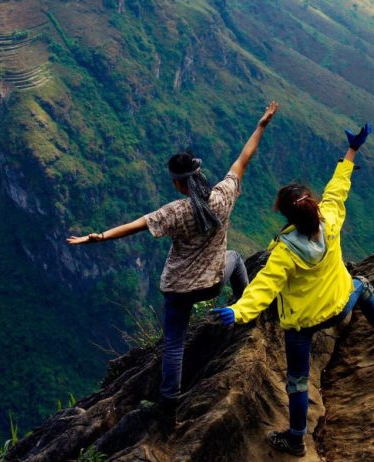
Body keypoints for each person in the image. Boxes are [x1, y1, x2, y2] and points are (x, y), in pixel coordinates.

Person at [67, 101, 280, 425]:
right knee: (235, 259)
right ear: (199, 175)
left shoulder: (176, 212)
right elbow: (243, 159)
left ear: (179, 184)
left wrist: (99, 236)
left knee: (174, 345)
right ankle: (246, 309)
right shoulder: (222, 197)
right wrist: (261, 124)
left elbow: (137, 224)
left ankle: (169, 405)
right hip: (211, 284)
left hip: (178, 289)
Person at [211, 122, 374, 457]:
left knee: (298, 381)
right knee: (362, 285)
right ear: (312, 205)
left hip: (303, 325)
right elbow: (337, 190)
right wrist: (351, 152)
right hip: (339, 306)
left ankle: (296, 438)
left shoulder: (285, 252)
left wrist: (236, 311)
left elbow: (262, 290)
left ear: (287, 215)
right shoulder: (329, 220)